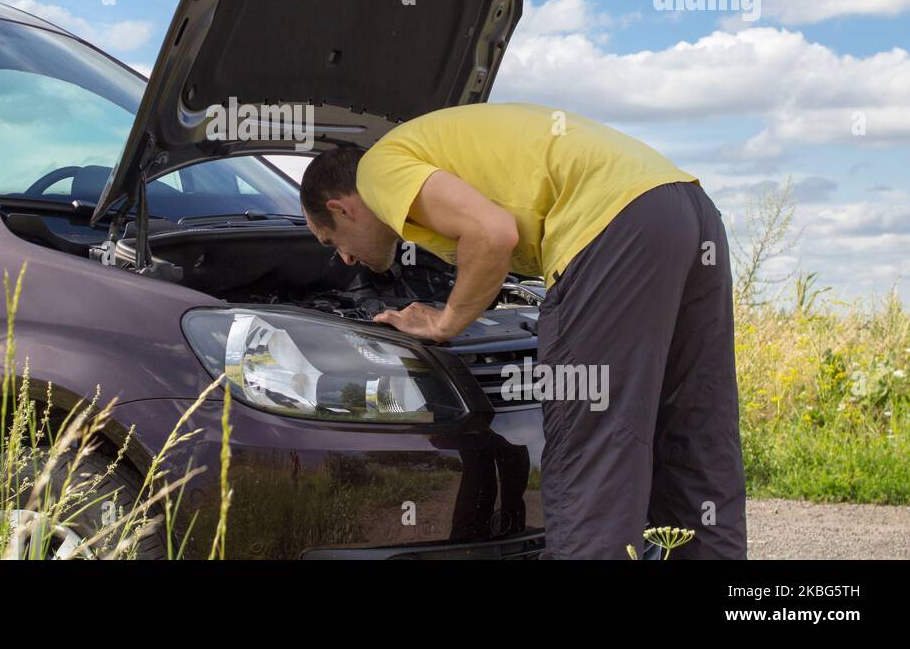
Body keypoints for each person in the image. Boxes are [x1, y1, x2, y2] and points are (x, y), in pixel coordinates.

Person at [298, 101, 747, 559]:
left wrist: (446, 320)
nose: (346, 260)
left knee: (593, 449)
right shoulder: (424, 156)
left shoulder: (377, 170)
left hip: (615, 222)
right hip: (683, 205)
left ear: (342, 208)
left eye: (331, 241)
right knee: (696, 428)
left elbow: (493, 233)